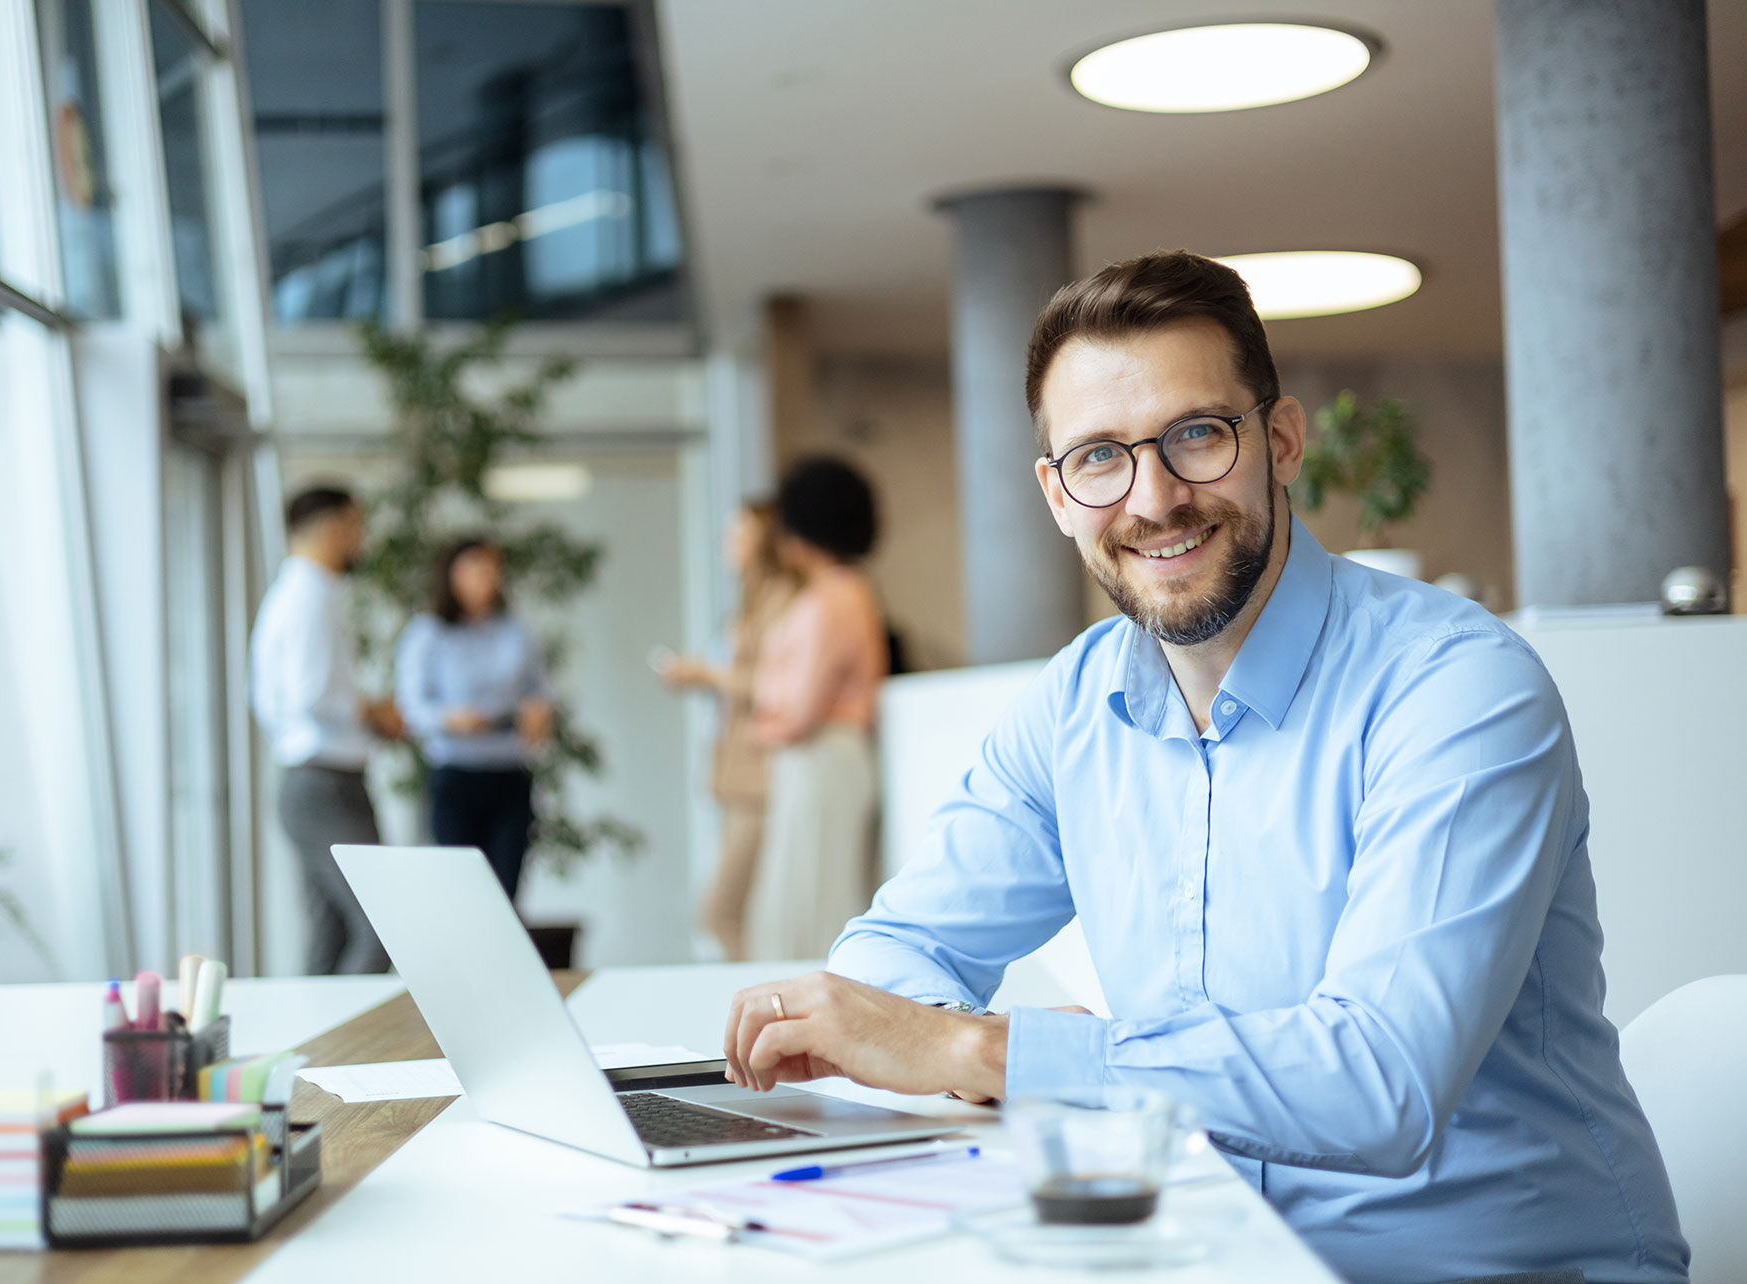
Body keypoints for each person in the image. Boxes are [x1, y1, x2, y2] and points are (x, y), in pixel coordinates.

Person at [719, 252, 1688, 1284]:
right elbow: (889, 957)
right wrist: (956, 1041)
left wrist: (988, 1054)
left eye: (1196, 436)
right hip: (1212, 1254)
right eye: (1099, 457)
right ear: (1056, 495)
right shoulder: (1074, 705)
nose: (1154, 498)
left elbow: (1380, 1086)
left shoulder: (1459, 689)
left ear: (1279, 440)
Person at [250, 485, 403, 975]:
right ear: (334, 528)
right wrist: (373, 712)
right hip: (324, 784)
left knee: (330, 932)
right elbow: (311, 697)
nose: (362, 539)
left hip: (316, 779)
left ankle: (316, 1049)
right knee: (382, 923)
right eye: (357, 526)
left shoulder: (302, 592)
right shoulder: (307, 596)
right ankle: (343, 1052)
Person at [743, 458, 889, 961]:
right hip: (823, 759)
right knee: (813, 890)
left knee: (812, 896)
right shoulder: (844, 592)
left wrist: (761, 725)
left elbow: (799, 708)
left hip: (821, 756)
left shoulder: (834, 597)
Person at [657, 501, 801, 960]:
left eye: (737, 534)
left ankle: (760, 1011)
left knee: (720, 912)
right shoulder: (749, 600)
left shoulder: (783, 600)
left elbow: (775, 685)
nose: (727, 544)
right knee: (740, 914)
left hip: (762, 777)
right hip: (736, 775)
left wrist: (706, 673)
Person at [395, 535, 552, 902]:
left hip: (508, 772)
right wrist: (451, 719)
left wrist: (539, 712)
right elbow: (411, 706)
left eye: (492, 570)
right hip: (455, 773)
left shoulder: (517, 632)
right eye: (476, 570)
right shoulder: (428, 633)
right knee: (459, 892)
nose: (486, 578)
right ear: (451, 576)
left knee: (505, 891)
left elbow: (540, 691)